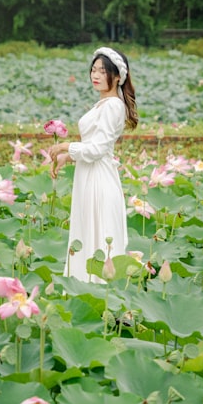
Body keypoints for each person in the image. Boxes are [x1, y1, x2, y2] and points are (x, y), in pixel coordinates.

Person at [49, 47, 138, 282]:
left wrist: (65, 147)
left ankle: (100, 293)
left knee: (99, 235)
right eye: (93, 69)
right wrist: (67, 157)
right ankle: (84, 289)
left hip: (99, 180)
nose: (95, 75)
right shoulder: (103, 104)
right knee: (87, 234)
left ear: (117, 77)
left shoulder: (113, 106)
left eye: (102, 71)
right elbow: (92, 145)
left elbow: (98, 150)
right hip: (89, 176)